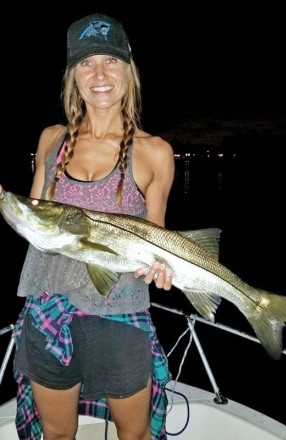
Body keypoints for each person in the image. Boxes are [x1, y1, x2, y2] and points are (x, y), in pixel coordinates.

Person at [9, 12, 175, 440]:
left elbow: (156, 238)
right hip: (46, 310)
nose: (99, 73)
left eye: (110, 61)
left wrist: (160, 267)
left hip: (119, 314)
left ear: (128, 71)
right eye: (86, 63)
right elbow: (34, 220)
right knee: (58, 435)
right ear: (72, 77)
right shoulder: (51, 139)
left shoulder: (155, 152)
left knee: (132, 436)